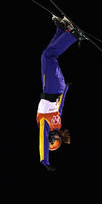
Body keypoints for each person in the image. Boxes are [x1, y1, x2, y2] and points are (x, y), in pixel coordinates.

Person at [36, 15, 84, 171]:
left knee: (48, 55)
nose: (51, 139)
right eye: (53, 142)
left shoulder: (55, 123)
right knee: (48, 56)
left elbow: (60, 105)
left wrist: (66, 89)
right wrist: (44, 160)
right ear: (54, 140)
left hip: (51, 88)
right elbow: (42, 140)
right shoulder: (46, 125)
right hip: (53, 88)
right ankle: (73, 35)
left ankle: (61, 30)